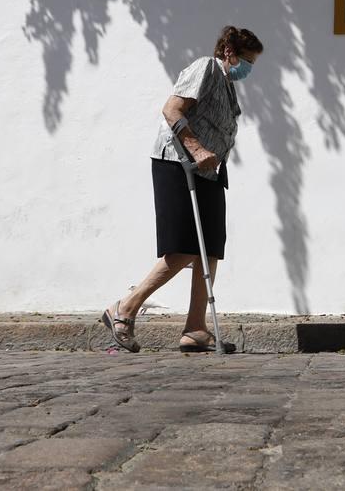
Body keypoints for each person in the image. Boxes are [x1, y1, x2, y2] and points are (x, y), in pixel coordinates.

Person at [102, 26, 263, 353]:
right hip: (179, 164)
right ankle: (125, 308)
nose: (248, 69)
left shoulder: (227, 85)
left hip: (210, 174)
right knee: (185, 246)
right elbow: (172, 109)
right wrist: (198, 149)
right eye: (246, 60)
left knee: (211, 248)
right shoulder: (206, 67)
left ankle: (195, 328)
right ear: (229, 52)